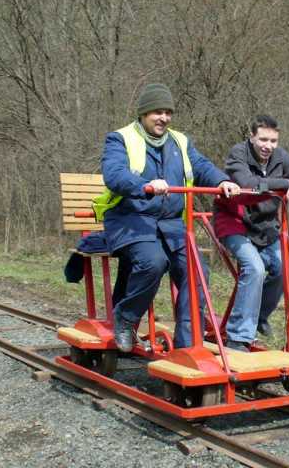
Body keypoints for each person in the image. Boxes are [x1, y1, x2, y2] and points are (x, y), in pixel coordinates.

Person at [100, 83, 240, 352]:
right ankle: (125, 318)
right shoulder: (120, 139)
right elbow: (114, 174)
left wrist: (222, 181)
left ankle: (188, 345)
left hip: (172, 224)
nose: (163, 118)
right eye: (157, 112)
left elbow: (201, 166)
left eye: (168, 112)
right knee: (153, 262)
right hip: (132, 220)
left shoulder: (180, 141)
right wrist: (144, 185)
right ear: (143, 113)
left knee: (197, 270)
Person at [213, 115, 289, 352]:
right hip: (234, 221)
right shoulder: (238, 154)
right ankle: (239, 337)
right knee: (255, 268)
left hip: (264, 226)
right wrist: (286, 183)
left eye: (273, 141)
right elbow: (249, 184)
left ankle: (258, 314)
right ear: (252, 137)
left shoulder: (280, 157)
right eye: (263, 139)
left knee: (283, 267)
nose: (267, 146)